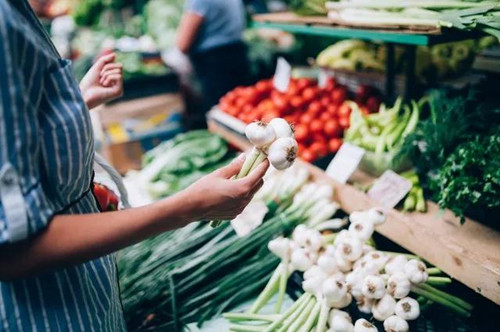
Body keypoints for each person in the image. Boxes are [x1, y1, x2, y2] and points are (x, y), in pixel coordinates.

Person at [0, 0, 268, 330]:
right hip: (47, 312)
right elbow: (11, 251)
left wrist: (73, 106)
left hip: (86, 295)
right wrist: (187, 207)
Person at [176, 0, 251, 128]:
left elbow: (183, 44)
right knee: (241, 113)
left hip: (214, 64)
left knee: (220, 119)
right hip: (238, 55)